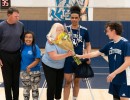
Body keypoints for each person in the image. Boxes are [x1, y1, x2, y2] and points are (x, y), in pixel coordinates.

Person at [76, 21, 130, 100]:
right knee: (115, 98)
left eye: (107, 31)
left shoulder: (125, 44)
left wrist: (113, 73)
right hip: (114, 78)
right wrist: (80, 56)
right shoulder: (110, 44)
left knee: (123, 98)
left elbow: (127, 62)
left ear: (113, 31)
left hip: (123, 78)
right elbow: (95, 53)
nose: (106, 33)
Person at [63, 6, 91, 100]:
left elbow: (88, 45)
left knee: (76, 81)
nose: (74, 19)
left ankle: (74, 98)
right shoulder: (65, 29)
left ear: (79, 18)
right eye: (72, 17)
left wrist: (88, 56)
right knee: (67, 81)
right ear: (70, 18)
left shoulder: (84, 30)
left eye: (76, 18)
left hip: (78, 58)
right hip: (67, 58)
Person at [42, 23, 73, 100]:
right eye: (59, 29)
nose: (61, 31)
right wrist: (67, 54)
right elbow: (54, 57)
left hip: (60, 66)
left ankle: (57, 98)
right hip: (49, 65)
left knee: (59, 85)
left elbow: (70, 47)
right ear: (54, 30)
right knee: (51, 86)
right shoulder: (50, 41)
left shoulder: (65, 38)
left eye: (62, 29)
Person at [0, 7, 24, 100]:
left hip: (17, 55)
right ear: (9, 15)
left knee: (16, 80)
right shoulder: (1, 26)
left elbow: (23, 39)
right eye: (15, 16)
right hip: (4, 56)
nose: (18, 18)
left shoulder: (21, 25)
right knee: (7, 81)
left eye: (18, 16)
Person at [20, 31, 41, 100]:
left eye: (30, 37)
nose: (28, 39)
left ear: (33, 39)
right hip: (24, 72)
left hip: (35, 72)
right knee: (26, 91)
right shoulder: (22, 47)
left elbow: (37, 59)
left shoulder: (35, 47)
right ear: (24, 38)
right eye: (26, 37)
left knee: (35, 91)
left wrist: (29, 67)